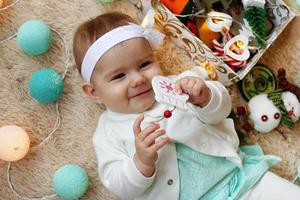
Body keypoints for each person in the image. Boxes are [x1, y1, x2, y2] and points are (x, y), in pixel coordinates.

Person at [73, 12, 300, 200]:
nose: (138, 79)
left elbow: (221, 111)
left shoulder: (179, 85)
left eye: (144, 64)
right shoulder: (107, 133)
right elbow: (118, 185)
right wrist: (140, 162)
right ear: (94, 92)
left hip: (240, 181)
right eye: (119, 76)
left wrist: (205, 97)